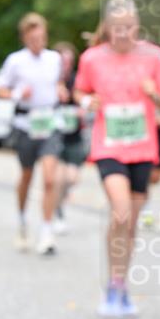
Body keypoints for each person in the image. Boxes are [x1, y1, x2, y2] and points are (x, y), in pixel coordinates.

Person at [74, 0, 160, 319]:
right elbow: (80, 92)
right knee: (120, 212)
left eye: (129, 27)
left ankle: (120, 284)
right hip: (108, 146)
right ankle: (113, 288)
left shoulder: (154, 57)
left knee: (129, 224)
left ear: (137, 26)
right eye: (117, 28)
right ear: (108, 28)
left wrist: (155, 95)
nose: (123, 33)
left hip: (143, 149)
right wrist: (88, 101)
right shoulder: (92, 58)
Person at [0, 13, 65, 255]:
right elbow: (0, 91)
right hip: (25, 123)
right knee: (26, 175)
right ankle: (22, 219)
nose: (39, 42)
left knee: (49, 178)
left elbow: (59, 84)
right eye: (34, 38)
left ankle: (47, 231)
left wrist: (61, 90)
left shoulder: (55, 59)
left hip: (50, 122)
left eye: (42, 37)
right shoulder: (15, 61)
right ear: (25, 37)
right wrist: (17, 94)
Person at [53, 41, 89, 234]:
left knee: (72, 178)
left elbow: (86, 99)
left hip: (74, 136)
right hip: (55, 136)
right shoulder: (49, 80)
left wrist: (81, 110)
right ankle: (57, 213)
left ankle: (61, 197)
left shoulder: (76, 80)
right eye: (62, 61)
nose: (66, 65)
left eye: (69, 61)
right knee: (59, 179)